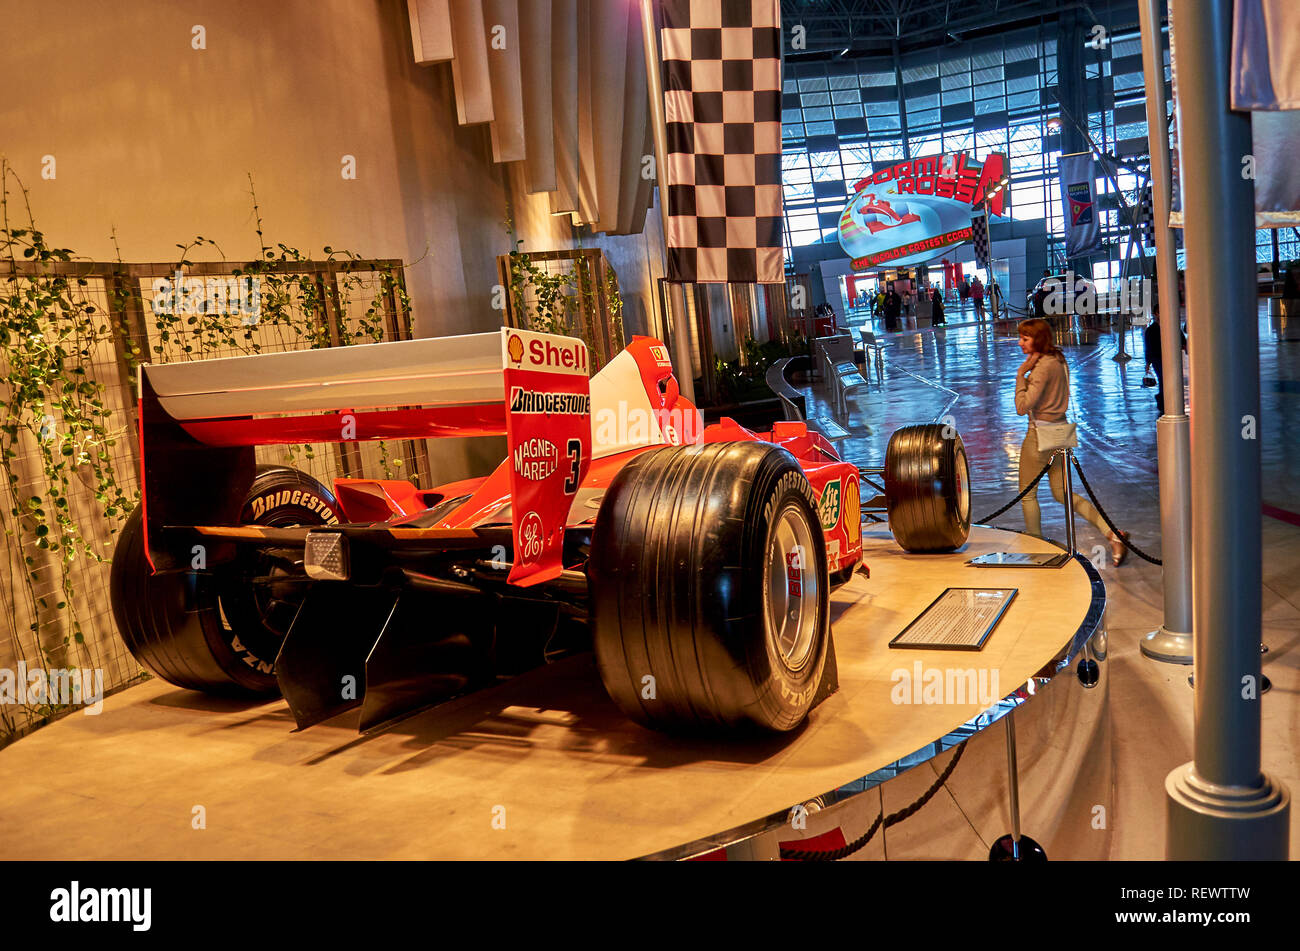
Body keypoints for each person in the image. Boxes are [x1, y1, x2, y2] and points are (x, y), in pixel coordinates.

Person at [1014, 317, 1128, 566]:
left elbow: (1022, 407)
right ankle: (1112, 533)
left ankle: (1036, 550)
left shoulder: (1042, 367)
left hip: (1039, 437)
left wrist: (1022, 373)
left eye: (1025, 338)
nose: (1020, 343)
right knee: (1063, 494)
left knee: (1028, 495)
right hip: (1061, 433)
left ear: (1038, 339)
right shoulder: (1059, 359)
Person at [1142, 299, 1186, 414]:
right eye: (1159, 312)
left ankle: (1164, 400)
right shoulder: (1151, 330)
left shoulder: (1172, 326)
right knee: (1163, 379)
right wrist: (1148, 363)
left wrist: (1184, 346)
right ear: (1156, 314)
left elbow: (1181, 338)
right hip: (1158, 359)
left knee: (1169, 379)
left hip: (1171, 357)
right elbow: (1148, 347)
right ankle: (1163, 402)